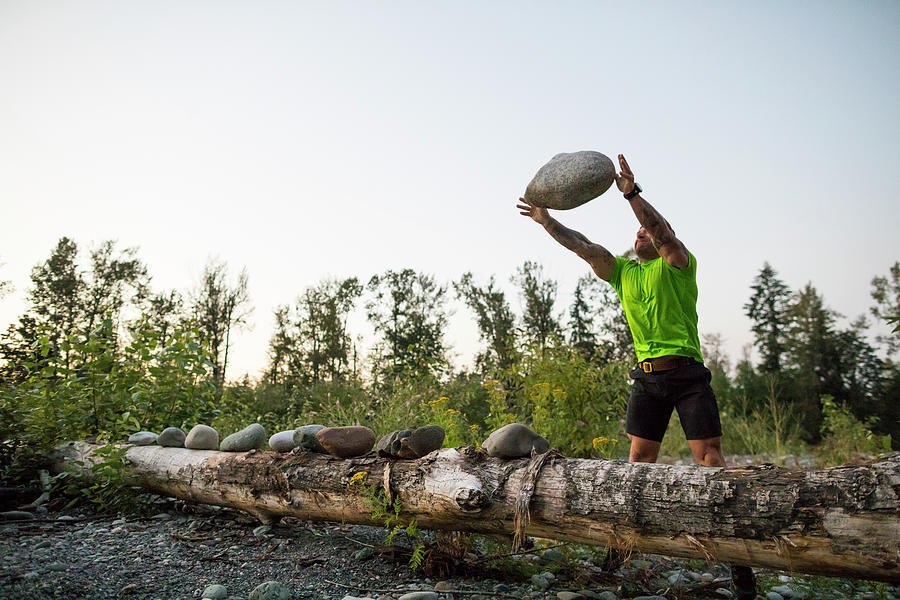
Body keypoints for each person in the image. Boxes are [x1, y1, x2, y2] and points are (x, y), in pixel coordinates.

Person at [516, 154, 757, 599]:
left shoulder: (678, 266)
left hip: (688, 377)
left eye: (647, 229)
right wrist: (546, 222)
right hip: (646, 381)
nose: (641, 232)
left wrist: (631, 194)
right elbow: (585, 247)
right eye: (637, 231)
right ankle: (620, 549)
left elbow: (663, 232)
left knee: (710, 464)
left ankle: (741, 562)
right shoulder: (624, 273)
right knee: (638, 464)